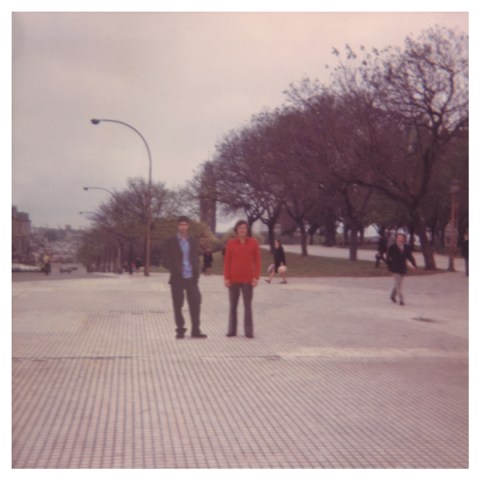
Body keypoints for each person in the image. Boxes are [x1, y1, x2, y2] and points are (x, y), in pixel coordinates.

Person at [162, 216, 207, 339]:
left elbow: (195, 257)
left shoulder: (193, 241)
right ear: (178, 226)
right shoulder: (170, 242)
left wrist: (197, 268)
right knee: (178, 305)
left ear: (188, 226)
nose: (183, 227)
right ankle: (180, 330)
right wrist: (175, 268)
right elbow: (164, 261)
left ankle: (195, 330)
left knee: (195, 303)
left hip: (191, 277)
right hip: (177, 278)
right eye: (181, 224)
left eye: (185, 225)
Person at [224, 220, 261, 338]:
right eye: (240, 228)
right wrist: (226, 278)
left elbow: (257, 261)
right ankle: (232, 330)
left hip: (248, 279)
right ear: (236, 230)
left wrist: (256, 277)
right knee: (233, 306)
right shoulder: (231, 243)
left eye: (244, 228)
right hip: (233, 279)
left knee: (247, 306)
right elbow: (227, 261)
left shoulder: (253, 242)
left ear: (247, 229)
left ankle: (249, 331)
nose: (242, 230)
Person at [386, 230, 417, 306]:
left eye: (402, 238)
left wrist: (414, 264)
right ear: (396, 238)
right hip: (395, 268)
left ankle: (392, 295)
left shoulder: (407, 247)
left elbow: (410, 256)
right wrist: (390, 265)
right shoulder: (392, 247)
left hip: (403, 267)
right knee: (398, 284)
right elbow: (388, 257)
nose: (400, 239)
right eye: (399, 238)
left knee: (398, 283)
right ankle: (401, 299)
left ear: (404, 239)